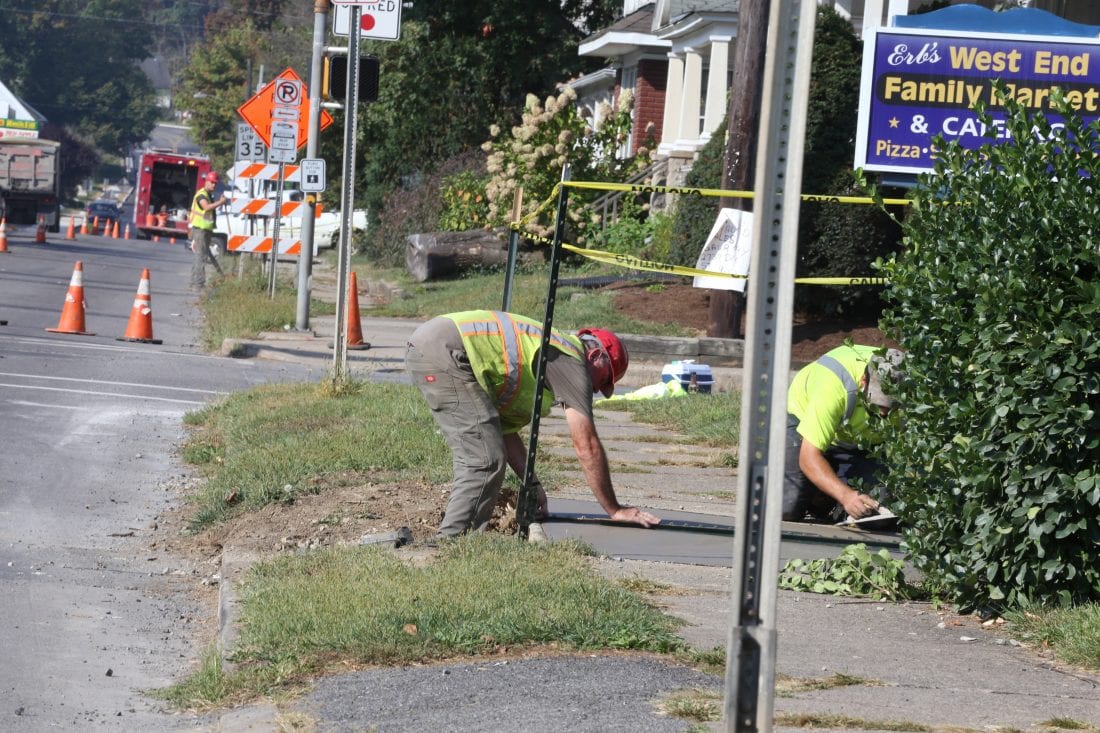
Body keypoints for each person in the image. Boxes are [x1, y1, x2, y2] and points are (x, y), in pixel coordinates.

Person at [405, 310, 662, 538]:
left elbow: (503, 432)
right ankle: (453, 543)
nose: (596, 390)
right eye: (604, 380)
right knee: (484, 459)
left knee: (488, 451)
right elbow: (587, 446)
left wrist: (533, 485)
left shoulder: (552, 353)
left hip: (438, 344)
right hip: (445, 350)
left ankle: (460, 538)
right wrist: (614, 509)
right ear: (595, 356)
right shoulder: (570, 360)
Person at [783, 343, 904, 523]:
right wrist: (845, 496)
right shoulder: (832, 388)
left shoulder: (913, 389)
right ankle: (819, 492)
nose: (883, 413)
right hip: (801, 420)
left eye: (890, 405)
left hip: (854, 442)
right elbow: (808, 458)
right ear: (863, 381)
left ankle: (828, 496)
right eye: (878, 403)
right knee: (788, 507)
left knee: (878, 515)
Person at [188, 171, 228, 289]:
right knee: (201, 256)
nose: (214, 185)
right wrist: (220, 202)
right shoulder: (201, 195)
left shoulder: (209, 195)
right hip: (200, 230)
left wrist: (219, 202)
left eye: (215, 183)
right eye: (212, 182)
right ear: (206, 181)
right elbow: (206, 207)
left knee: (202, 255)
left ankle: (194, 282)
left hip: (205, 230)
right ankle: (198, 283)